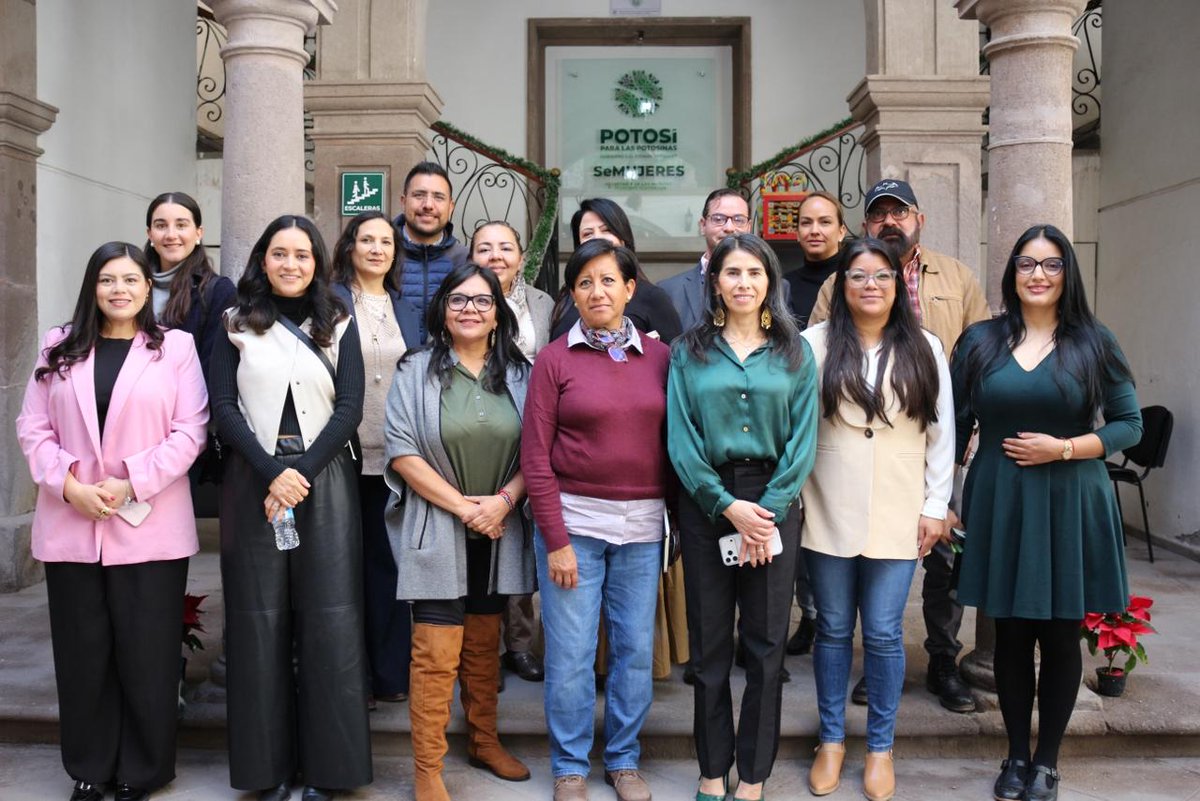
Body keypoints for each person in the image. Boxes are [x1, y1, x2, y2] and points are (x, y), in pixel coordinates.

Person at [951, 225, 1141, 801]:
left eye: (1052, 265)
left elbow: (1127, 425)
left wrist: (1061, 448)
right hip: (1002, 497)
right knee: (1009, 635)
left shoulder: (1094, 341)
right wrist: (946, 500)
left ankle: (1047, 763)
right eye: (1027, 263)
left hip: (1070, 497)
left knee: (1061, 637)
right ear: (1011, 272)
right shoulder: (980, 340)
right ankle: (1013, 756)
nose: (1038, 274)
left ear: (1067, 274)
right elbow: (954, 428)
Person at [17, 241, 208, 801]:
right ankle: (89, 767)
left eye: (130, 279)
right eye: (107, 279)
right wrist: (67, 484)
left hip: (149, 525)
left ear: (149, 288)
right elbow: (32, 427)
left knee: (147, 654)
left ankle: (142, 770)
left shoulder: (174, 348)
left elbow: (190, 431)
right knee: (83, 655)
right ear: (92, 287)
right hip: (70, 521)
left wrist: (132, 480)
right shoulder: (60, 346)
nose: (118, 289)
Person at [810, 178, 989, 713]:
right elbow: (817, 363)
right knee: (849, 606)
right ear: (865, 226)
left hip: (942, 439)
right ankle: (870, 678)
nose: (890, 222)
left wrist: (972, 430)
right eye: (878, 214)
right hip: (854, 458)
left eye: (900, 212)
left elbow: (981, 352)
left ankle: (941, 659)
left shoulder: (957, 278)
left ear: (919, 219)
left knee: (945, 563)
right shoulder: (834, 293)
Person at [209, 215, 371, 801]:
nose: (291, 264)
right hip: (253, 477)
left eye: (303, 255)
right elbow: (223, 408)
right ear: (262, 259)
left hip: (323, 478)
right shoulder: (233, 323)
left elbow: (350, 406)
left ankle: (332, 771)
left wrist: (297, 474)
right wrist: (272, 472)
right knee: (258, 621)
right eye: (280, 254)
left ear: (318, 262)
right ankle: (265, 769)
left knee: (330, 618)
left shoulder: (340, 319)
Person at [799, 238, 954, 801]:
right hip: (827, 504)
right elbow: (796, 428)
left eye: (882, 276)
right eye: (858, 275)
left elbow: (942, 432)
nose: (870, 285)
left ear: (897, 285)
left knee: (886, 633)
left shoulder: (926, 346)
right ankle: (833, 740)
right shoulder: (814, 343)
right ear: (841, 285)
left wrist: (936, 506)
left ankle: (881, 746)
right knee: (834, 629)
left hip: (899, 507)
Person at [667, 233, 818, 801]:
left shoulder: (795, 351)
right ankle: (712, 770)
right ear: (715, 282)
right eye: (732, 273)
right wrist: (725, 506)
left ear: (770, 282)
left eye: (755, 273)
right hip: (708, 500)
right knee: (708, 650)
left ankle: (752, 777)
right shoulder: (688, 352)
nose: (743, 283)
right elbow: (680, 439)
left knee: (765, 649)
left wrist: (766, 516)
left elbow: (805, 441)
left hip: (775, 500)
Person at [523, 238, 672, 801]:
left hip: (641, 531)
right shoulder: (555, 359)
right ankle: (568, 766)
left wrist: (675, 529)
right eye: (584, 283)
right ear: (573, 295)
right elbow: (535, 457)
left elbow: (676, 443)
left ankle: (624, 760)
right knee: (572, 653)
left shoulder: (660, 358)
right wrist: (555, 539)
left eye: (608, 280)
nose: (597, 291)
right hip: (574, 529)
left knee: (634, 651)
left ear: (630, 289)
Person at [384, 264, 535, 801]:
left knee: (483, 644)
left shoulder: (523, 373)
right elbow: (401, 450)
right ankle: (428, 767)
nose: (470, 309)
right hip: (437, 525)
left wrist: (502, 502)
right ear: (442, 312)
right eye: (458, 300)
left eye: (481, 301)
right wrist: (465, 508)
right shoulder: (416, 369)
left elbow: (538, 452)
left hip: (500, 528)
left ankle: (485, 740)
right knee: (434, 651)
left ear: (499, 314)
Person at [330, 211, 422, 710]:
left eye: (386, 241)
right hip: (341, 457)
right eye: (367, 240)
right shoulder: (330, 303)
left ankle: (390, 673)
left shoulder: (407, 309)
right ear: (349, 247)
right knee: (345, 568)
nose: (377, 249)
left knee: (387, 567)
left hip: (395, 459)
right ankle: (353, 676)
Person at [470, 220, 556, 683]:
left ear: (522, 257)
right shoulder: (458, 299)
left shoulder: (543, 304)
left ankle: (520, 644)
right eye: (485, 248)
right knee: (482, 541)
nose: (496, 256)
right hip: (477, 430)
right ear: (472, 257)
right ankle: (479, 649)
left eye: (506, 248)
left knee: (522, 543)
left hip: (534, 429)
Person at [550, 197, 683, 344]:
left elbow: (673, 356)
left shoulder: (652, 297)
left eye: (606, 230)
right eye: (588, 234)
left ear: (623, 239)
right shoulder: (567, 296)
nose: (597, 238)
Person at [143, 191, 237, 377]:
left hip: (188, 402)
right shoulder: (131, 287)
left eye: (181, 225)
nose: (171, 235)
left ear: (198, 233)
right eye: (161, 225)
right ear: (150, 234)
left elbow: (213, 369)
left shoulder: (218, 292)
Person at [391, 161, 470, 342]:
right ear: (403, 201)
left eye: (438, 197)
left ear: (451, 207)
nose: (428, 205)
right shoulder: (382, 255)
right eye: (419, 195)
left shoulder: (465, 260)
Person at [660, 188, 754, 332]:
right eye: (718, 219)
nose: (729, 228)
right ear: (703, 225)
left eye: (738, 220)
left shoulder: (775, 287)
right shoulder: (669, 291)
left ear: (748, 227)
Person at [783, 190, 848, 328]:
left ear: (841, 232)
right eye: (806, 223)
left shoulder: (854, 279)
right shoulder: (783, 286)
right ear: (797, 233)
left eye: (825, 222)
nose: (814, 231)